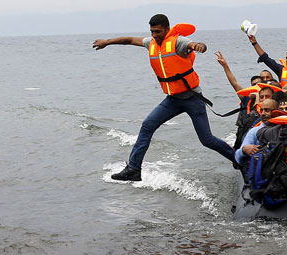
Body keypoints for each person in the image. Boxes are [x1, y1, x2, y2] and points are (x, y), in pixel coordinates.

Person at [92, 14, 235, 181]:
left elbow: (193, 44)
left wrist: (199, 45)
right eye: (152, 31)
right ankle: (133, 168)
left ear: (167, 29)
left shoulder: (178, 42)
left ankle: (238, 159)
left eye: (158, 31)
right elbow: (130, 40)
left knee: (207, 140)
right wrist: (107, 42)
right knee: (147, 126)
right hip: (172, 100)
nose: (154, 35)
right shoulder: (151, 43)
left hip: (192, 99)